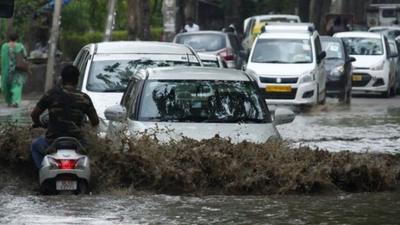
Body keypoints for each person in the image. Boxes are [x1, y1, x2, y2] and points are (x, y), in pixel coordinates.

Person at [30, 65, 99, 169]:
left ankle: (43, 171)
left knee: (35, 145)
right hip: (77, 143)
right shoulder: (84, 98)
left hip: (52, 142)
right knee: (95, 149)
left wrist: (38, 124)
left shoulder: (51, 94)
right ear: (77, 80)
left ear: (62, 79)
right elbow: (95, 122)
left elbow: (34, 114)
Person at [1, 31, 28, 107]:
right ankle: (15, 101)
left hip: (7, 71)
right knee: (17, 86)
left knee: (7, 86)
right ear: (17, 38)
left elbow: (2, 58)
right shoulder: (20, 46)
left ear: (9, 38)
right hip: (17, 69)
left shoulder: (4, 46)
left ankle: (9, 101)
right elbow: (25, 56)